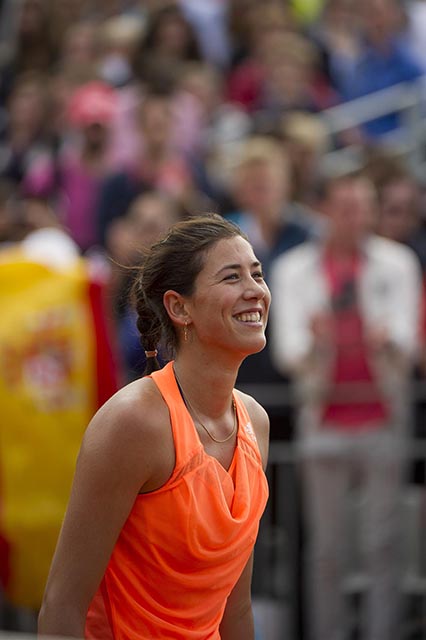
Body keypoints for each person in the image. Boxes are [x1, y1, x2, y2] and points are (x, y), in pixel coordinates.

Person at [38, 213, 271, 639]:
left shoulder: (255, 421)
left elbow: (235, 608)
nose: (255, 290)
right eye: (232, 277)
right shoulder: (133, 422)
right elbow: (62, 604)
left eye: (256, 274)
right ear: (179, 307)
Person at [269, 174, 422, 640]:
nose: (355, 218)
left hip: (383, 416)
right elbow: (287, 351)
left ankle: (383, 632)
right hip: (323, 418)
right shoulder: (293, 269)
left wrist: (388, 339)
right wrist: (316, 343)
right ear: (325, 210)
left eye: (363, 207)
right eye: (345, 208)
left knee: (384, 543)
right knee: (327, 549)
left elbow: (409, 342)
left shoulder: (398, 262)